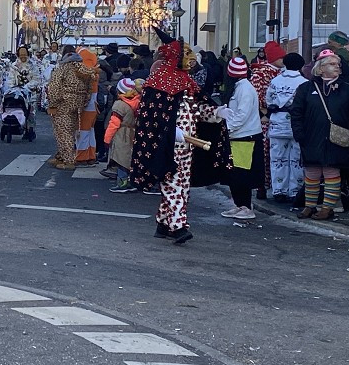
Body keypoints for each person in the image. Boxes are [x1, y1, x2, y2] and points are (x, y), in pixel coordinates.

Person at [129, 29, 231, 244]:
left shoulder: (186, 81)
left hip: (188, 146)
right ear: (173, 57)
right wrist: (169, 133)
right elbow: (150, 116)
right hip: (168, 147)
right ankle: (178, 227)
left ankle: (163, 223)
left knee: (181, 185)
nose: (191, 58)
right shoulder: (158, 83)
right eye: (185, 54)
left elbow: (198, 109)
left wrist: (216, 113)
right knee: (174, 185)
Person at [289, 50, 349, 221]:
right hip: (311, 138)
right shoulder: (306, 89)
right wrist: (299, 134)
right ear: (321, 68)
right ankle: (309, 206)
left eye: (338, 64)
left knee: (332, 172)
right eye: (332, 64)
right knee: (312, 173)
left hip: (337, 139)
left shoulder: (347, 89)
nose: (337, 67)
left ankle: (327, 208)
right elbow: (296, 113)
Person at [216, 57, 265, 224]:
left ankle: (246, 207)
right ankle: (239, 205)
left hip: (245, 138)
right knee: (235, 174)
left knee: (242, 174)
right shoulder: (240, 87)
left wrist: (227, 128)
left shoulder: (244, 89)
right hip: (238, 137)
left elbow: (241, 115)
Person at [265, 53, 306, 201]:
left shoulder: (275, 81)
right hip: (296, 124)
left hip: (277, 123)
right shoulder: (304, 82)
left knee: (277, 159)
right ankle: (294, 190)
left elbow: (268, 100)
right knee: (296, 160)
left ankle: (278, 190)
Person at [46, 46, 96, 170]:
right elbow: (90, 87)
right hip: (78, 103)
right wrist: (84, 101)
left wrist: (52, 104)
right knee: (70, 129)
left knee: (63, 131)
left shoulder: (63, 68)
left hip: (63, 103)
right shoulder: (84, 69)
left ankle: (68, 160)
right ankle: (60, 156)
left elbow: (54, 87)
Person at [249, 41, 285, 199]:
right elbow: (256, 96)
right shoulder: (262, 73)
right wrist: (266, 111)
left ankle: (273, 186)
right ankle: (262, 186)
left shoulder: (280, 73)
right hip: (266, 119)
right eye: (280, 57)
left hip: (275, 119)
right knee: (265, 153)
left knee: (275, 154)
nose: (283, 60)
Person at [105, 78, 141, 193]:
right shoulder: (137, 102)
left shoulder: (120, 105)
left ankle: (122, 183)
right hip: (133, 132)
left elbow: (113, 124)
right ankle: (132, 181)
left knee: (121, 159)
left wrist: (107, 139)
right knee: (130, 158)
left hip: (122, 133)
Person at [3, 46, 41, 140]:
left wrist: (27, 87)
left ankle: (30, 129)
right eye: (21, 55)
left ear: (28, 55)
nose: (23, 57)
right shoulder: (14, 66)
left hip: (30, 93)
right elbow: (10, 79)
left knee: (31, 113)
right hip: (17, 92)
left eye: (25, 55)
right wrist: (13, 88)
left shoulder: (33, 65)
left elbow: (36, 79)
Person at [75, 47, 101, 166]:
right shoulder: (93, 68)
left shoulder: (84, 68)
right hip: (93, 103)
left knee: (82, 130)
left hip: (85, 101)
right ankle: (91, 155)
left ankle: (82, 157)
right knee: (90, 130)